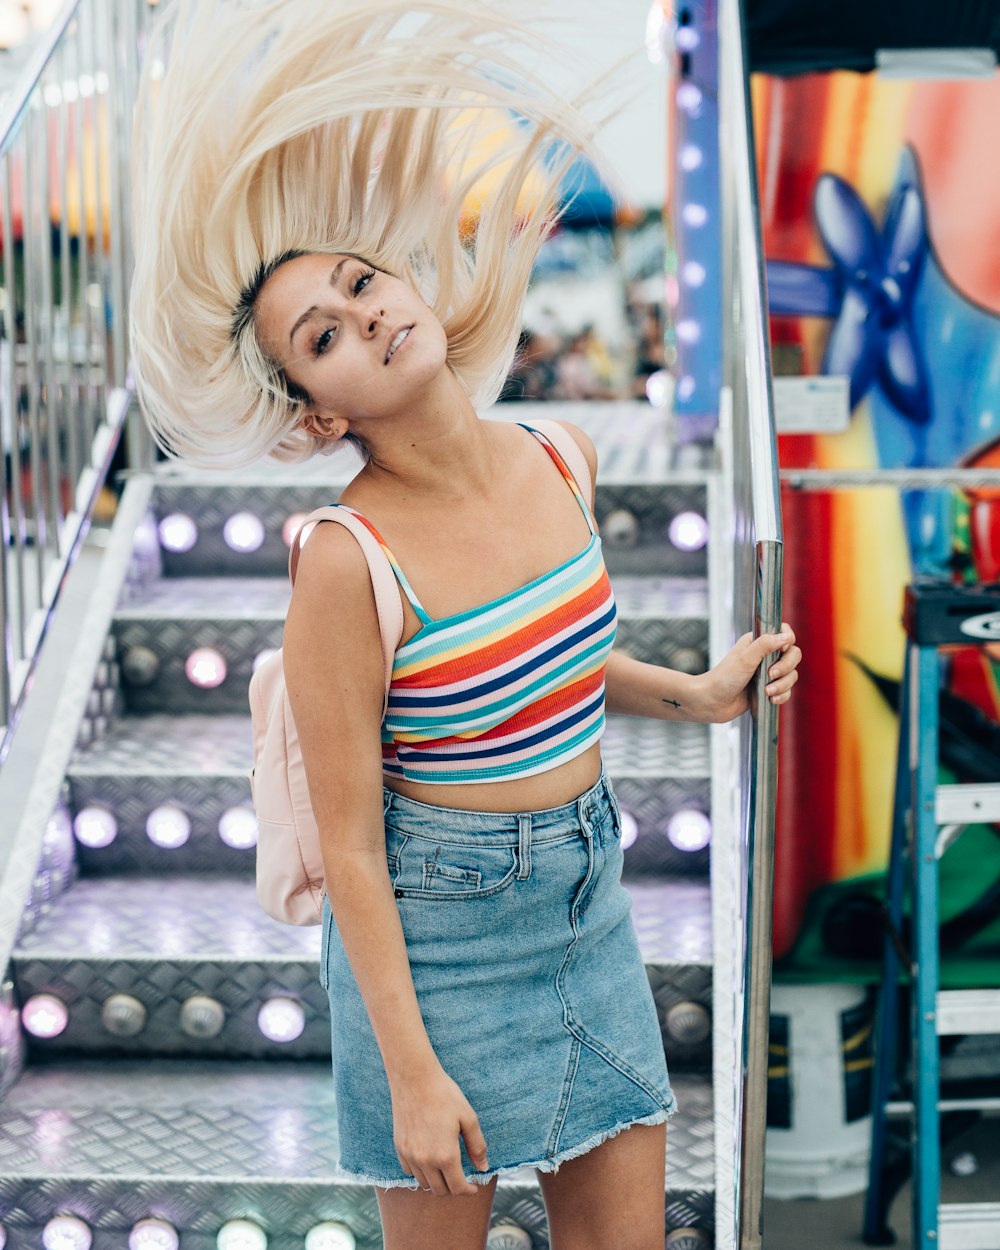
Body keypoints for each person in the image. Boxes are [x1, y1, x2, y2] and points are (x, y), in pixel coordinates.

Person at [129, 4, 802, 1248]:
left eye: (359, 282)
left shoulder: (560, 452)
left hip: (587, 907)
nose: (366, 316)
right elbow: (354, 853)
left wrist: (696, 693)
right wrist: (409, 1069)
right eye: (321, 335)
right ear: (318, 411)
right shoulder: (348, 559)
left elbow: (549, 665)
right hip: (435, 950)